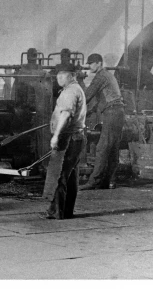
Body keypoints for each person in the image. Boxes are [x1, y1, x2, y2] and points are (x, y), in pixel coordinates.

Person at [40, 63, 87, 220]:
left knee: (60, 174)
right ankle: (65, 211)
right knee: (70, 175)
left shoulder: (70, 92)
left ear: (72, 76)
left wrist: (56, 135)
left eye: (63, 75)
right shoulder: (76, 89)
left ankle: (57, 212)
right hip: (77, 137)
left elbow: (65, 115)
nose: (59, 78)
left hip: (68, 137)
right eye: (57, 75)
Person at [80, 53, 126, 191]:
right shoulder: (107, 75)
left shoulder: (101, 76)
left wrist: (73, 109)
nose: (89, 66)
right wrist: (87, 112)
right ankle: (108, 181)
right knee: (112, 150)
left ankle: (93, 182)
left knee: (102, 147)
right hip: (117, 112)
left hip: (112, 113)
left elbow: (87, 95)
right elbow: (99, 100)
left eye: (91, 63)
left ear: (99, 63)